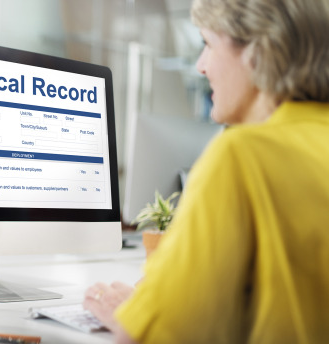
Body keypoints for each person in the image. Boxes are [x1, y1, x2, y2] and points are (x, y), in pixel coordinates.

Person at [83, 0, 329, 342]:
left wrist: (128, 313)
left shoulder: (243, 154)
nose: (201, 66)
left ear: (258, 50)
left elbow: (165, 335)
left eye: (208, 45)